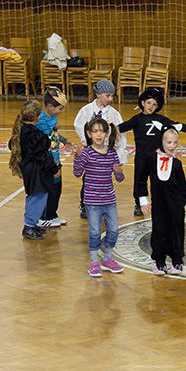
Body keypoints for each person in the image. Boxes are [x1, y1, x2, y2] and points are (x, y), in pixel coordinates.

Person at [118, 88, 186, 217]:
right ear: (143, 103)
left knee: (157, 180)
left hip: (156, 157)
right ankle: (139, 203)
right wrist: (114, 129)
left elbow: (174, 125)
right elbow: (124, 126)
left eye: (154, 104)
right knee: (139, 179)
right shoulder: (137, 119)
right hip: (141, 156)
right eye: (149, 103)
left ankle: (159, 201)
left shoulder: (160, 119)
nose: (151, 106)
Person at [136, 128, 186, 276]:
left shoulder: (177, 164)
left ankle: (177, 260)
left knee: (176, 231)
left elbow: (183, 186)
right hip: (159, 205)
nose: (172, 146)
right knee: (159, 231)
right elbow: (141, 179)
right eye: (169, 142)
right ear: (162, 142)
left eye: (175, 142)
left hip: (176, 206)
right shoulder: (151, 159)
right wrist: (143, 199)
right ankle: (159, 261)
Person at [72, 118, 125, 277]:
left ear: (107, 133)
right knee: (95, 232)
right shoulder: (86, 153)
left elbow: (120, 179)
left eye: (102, 131)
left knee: (114, 231)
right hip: (92, 201)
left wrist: (119, 172)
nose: (99, 135)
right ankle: (94, 261)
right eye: (95, 131)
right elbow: (77, 173)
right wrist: (78, 156)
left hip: (109, 200)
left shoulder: (112, 153)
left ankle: (107, 258)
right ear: (89, 134)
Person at [73, 79, 128, 218]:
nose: (110, 99)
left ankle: (104, 204)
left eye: (112, 96)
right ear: (98, 94)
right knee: (88, 179)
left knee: (105, 180)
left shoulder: (114, 113)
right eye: (107, 95)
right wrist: (86, 140)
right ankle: (85, 204)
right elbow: (78, 125)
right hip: (91, 152)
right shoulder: (86, 110)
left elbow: (120, 133)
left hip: (106, 153)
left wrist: (121, 153)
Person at [8, 100, 59, 240]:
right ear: (38, 117)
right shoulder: (33, 135)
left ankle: (32, 223)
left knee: (37, 196)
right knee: (37, 197)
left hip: (31, 168)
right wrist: (54, 168)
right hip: (36, 170)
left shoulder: (22, 130)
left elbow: (11, 145)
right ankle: (29, 225)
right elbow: (41, 155)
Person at [35, 86, 72, 228]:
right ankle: (43, 217)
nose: (61, 111)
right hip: (48, 163)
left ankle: (52, 214)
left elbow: (54, 133)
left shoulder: (53, 117)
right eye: (60, 108)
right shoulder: (41, 120)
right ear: (50, 106)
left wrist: (64, 140)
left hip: (55, 160)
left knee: (57, 189)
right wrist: (54, 165)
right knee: (49, 190)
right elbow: (43, 144)